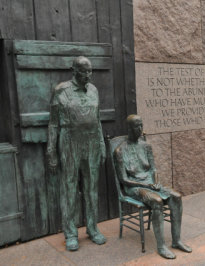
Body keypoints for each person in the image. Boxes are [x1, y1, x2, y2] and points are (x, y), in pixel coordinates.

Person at [47, 56, 106, 251]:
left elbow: (97, 121)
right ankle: (71, 233)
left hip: (91, 144)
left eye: (90, 71)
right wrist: (51, 152)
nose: (88, 75)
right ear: (74, 71)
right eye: (84, 71)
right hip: (69, 142)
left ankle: (92, 228)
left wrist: (102, 145)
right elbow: (53, 124)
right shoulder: (61, 90)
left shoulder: (94, 90)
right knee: (70, 188)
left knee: (91, 188)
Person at [114, 115, 192, 259]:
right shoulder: (120, 151)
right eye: (137, 126)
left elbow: (153, 169)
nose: (141, 129)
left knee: (176, 197)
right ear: (130, 128)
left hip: (151, 183)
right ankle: (161, 246)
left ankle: (176, 241)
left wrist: (156, 182)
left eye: (141, 125)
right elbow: (124, 180)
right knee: (156, 201)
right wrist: (145, 184)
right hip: (134, 187)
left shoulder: (146, 146)